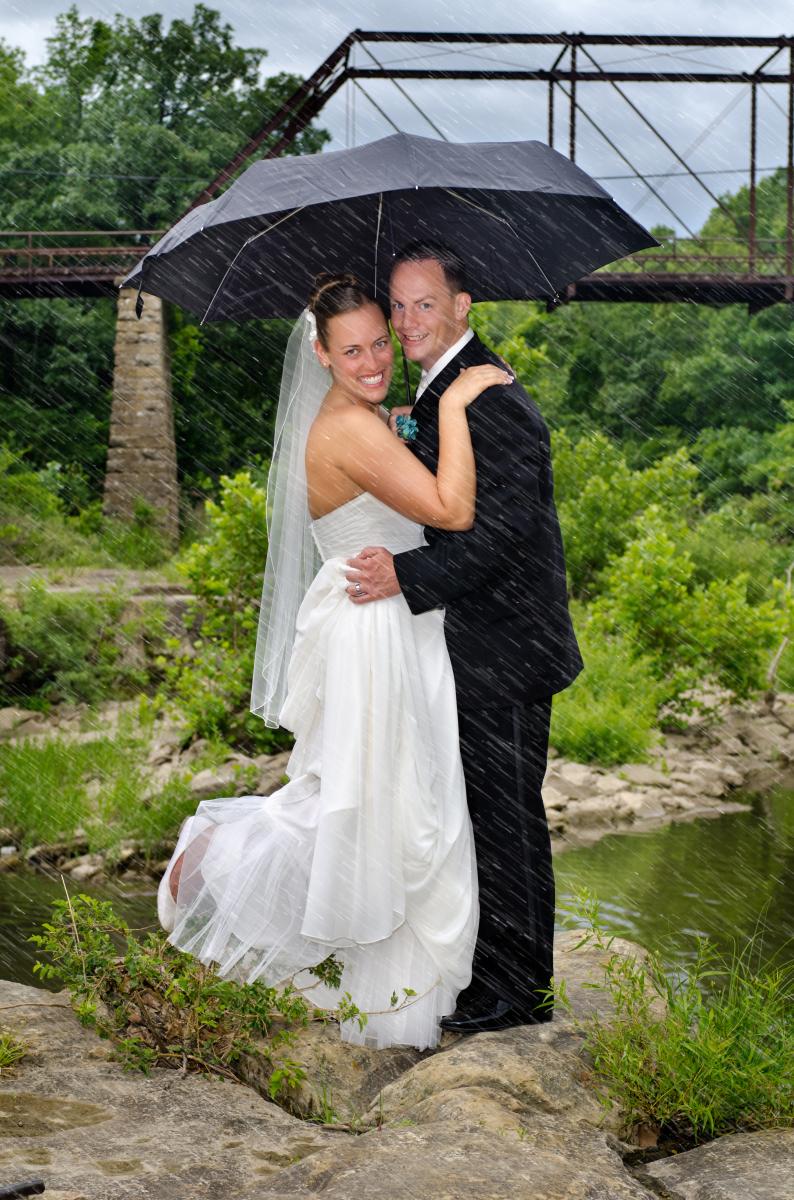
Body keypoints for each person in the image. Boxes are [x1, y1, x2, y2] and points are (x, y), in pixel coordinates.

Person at [157, 273, 512, 1050]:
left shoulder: (360, 420)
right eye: (351, 350)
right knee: (363, 802)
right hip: (375, 631)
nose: (372, 359)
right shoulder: (349, 430)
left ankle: (372, 977)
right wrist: (451, 405)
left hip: (385, 622)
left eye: (381, 342)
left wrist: (407, 424)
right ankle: (211, 861)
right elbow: (451, 511)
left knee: (374, 802)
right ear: (320, 353)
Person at [346, 242, 584, 1033]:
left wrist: (405, 580)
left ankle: (519, 993)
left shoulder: (492, 398)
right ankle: (496, 973)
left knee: (507, 818)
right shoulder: (445, 388)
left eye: (424, 304)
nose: (408, 320)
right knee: (479, 815)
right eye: (399, 305)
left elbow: (502, 536)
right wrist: (404, 432)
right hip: (472, 645)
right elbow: (444, 491)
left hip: (508, 649)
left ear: (461, 306)